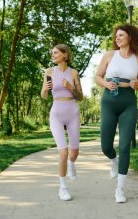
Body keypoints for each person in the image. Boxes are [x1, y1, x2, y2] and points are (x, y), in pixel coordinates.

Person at [95, 23, 138, 203]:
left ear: (130, 38)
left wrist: (137, 85)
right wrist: (106, 84)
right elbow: (98, 76)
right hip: (109, 100)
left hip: (128, 102)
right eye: (116, 36)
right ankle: (113, 160)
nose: (117, 38)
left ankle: (120, 189)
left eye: (121, 35)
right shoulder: (109, 55)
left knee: (125, 146)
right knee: (105, 146)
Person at [41, 44, 83, 201]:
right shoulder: (49, 72)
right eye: (52, 53)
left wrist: (71, 87)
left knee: (74, 153)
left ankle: (72, 164)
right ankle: (63, 188)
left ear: (65, 55)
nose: (53, 55)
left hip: (72, 113)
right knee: (63, 152)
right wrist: (45, 88)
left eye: (56, 52)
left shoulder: (73, 73)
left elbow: (81, 97)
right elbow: (44, 95)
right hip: (56, 113)